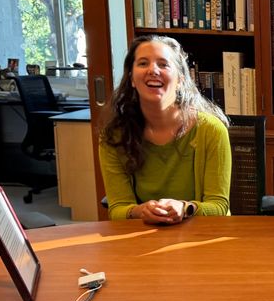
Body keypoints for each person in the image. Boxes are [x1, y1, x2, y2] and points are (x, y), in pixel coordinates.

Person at [99, 35, 231, 223]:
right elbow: (117, 209)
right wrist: (141, 210)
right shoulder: (114, 137)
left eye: (163, 64)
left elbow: (218, 206)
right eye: (143, 63)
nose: (153, 70)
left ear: (180, 80)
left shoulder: (211, 130)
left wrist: (185, 208)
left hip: (202, 233)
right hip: (143, 233)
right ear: (131, 79)